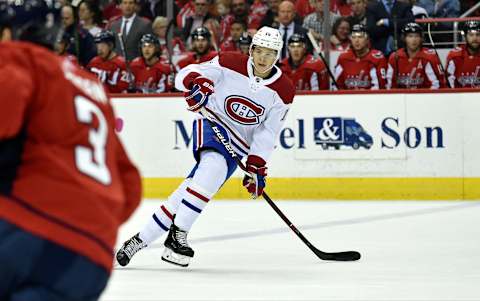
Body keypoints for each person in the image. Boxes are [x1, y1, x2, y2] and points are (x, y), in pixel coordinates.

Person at [115, 26, 295, 268]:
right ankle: (178, 235)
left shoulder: (284, 90)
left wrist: (256, 164)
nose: (263, 58)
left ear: (278, 55)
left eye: (270, 53)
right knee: (214, 168)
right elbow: (186, 74)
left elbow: (267, 131)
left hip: (239, 146)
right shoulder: (229, 62)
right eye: (259, 51)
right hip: (213, 123)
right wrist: (197, 82)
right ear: (251, 50)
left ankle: (138, 240)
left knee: (188, 191)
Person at [0, 1, 142, 300]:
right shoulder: (91, 86)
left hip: (28, 233)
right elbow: (130, 187)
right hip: (92, 258)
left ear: (9, 34)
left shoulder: (20, 58)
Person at [386, 22, 445, 89]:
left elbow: (436, 85)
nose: (414, 40)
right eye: (410, 36)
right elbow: (390, 85)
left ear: (421, 38)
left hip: (425, 97)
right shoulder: (395, 57)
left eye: (417, 36)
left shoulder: (429, 57)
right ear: (404, 38)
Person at [335, 24, 387, 90]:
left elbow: (381, 86)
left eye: (360, 37)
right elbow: (337, 86)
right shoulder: (343, 58)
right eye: (354, 37)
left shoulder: (377, 58)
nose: (356, 40)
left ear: (367, 40)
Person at [446, 21, 480, 88]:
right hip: (459, 97)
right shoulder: (455, 56)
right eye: (471, 35)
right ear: (465, 37)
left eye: (478, 34)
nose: (475, 38)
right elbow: (449, 84)